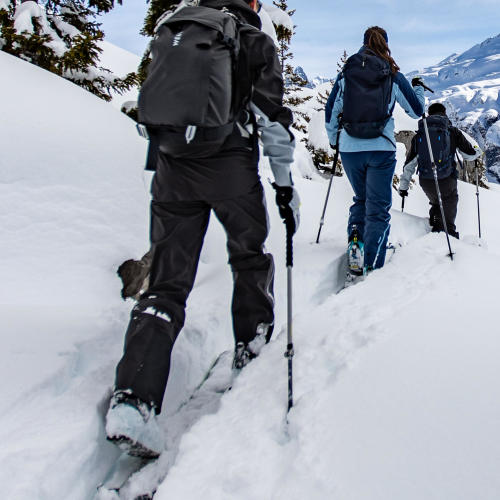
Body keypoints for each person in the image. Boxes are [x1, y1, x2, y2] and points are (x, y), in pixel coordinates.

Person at [105, 0, 298, 459]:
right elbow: (271, 121)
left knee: (166, 285)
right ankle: (250, 351)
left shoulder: (176, 28)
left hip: (172, 170)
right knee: (248, 255)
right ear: (251, 3)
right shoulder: (252, 38)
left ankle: (133, 401)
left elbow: (156, 104)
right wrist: (286, 187)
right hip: (230, 167)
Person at [325, 26, 425, 274]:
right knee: (378, 208)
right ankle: (371, 263)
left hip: (350, 149)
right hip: (380, 149)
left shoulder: (347, 72)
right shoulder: (392, 73)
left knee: (361, 199)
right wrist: (420, 88)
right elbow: (416, 111)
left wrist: (334, 141)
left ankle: (356, 249)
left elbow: (330, 112)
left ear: (363, 44)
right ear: (385, 44)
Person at [399, 102, 481, 238]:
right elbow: (470, 155)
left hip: (426, 180)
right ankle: (446, 236)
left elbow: (410, 165)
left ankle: (435, 222)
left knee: (437, 200)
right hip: (446, 179)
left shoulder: (420, 134)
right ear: (444, 114)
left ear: (430, 114)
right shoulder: (452, 131)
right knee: (449, 202)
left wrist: (403, 187)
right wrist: (478, 151)